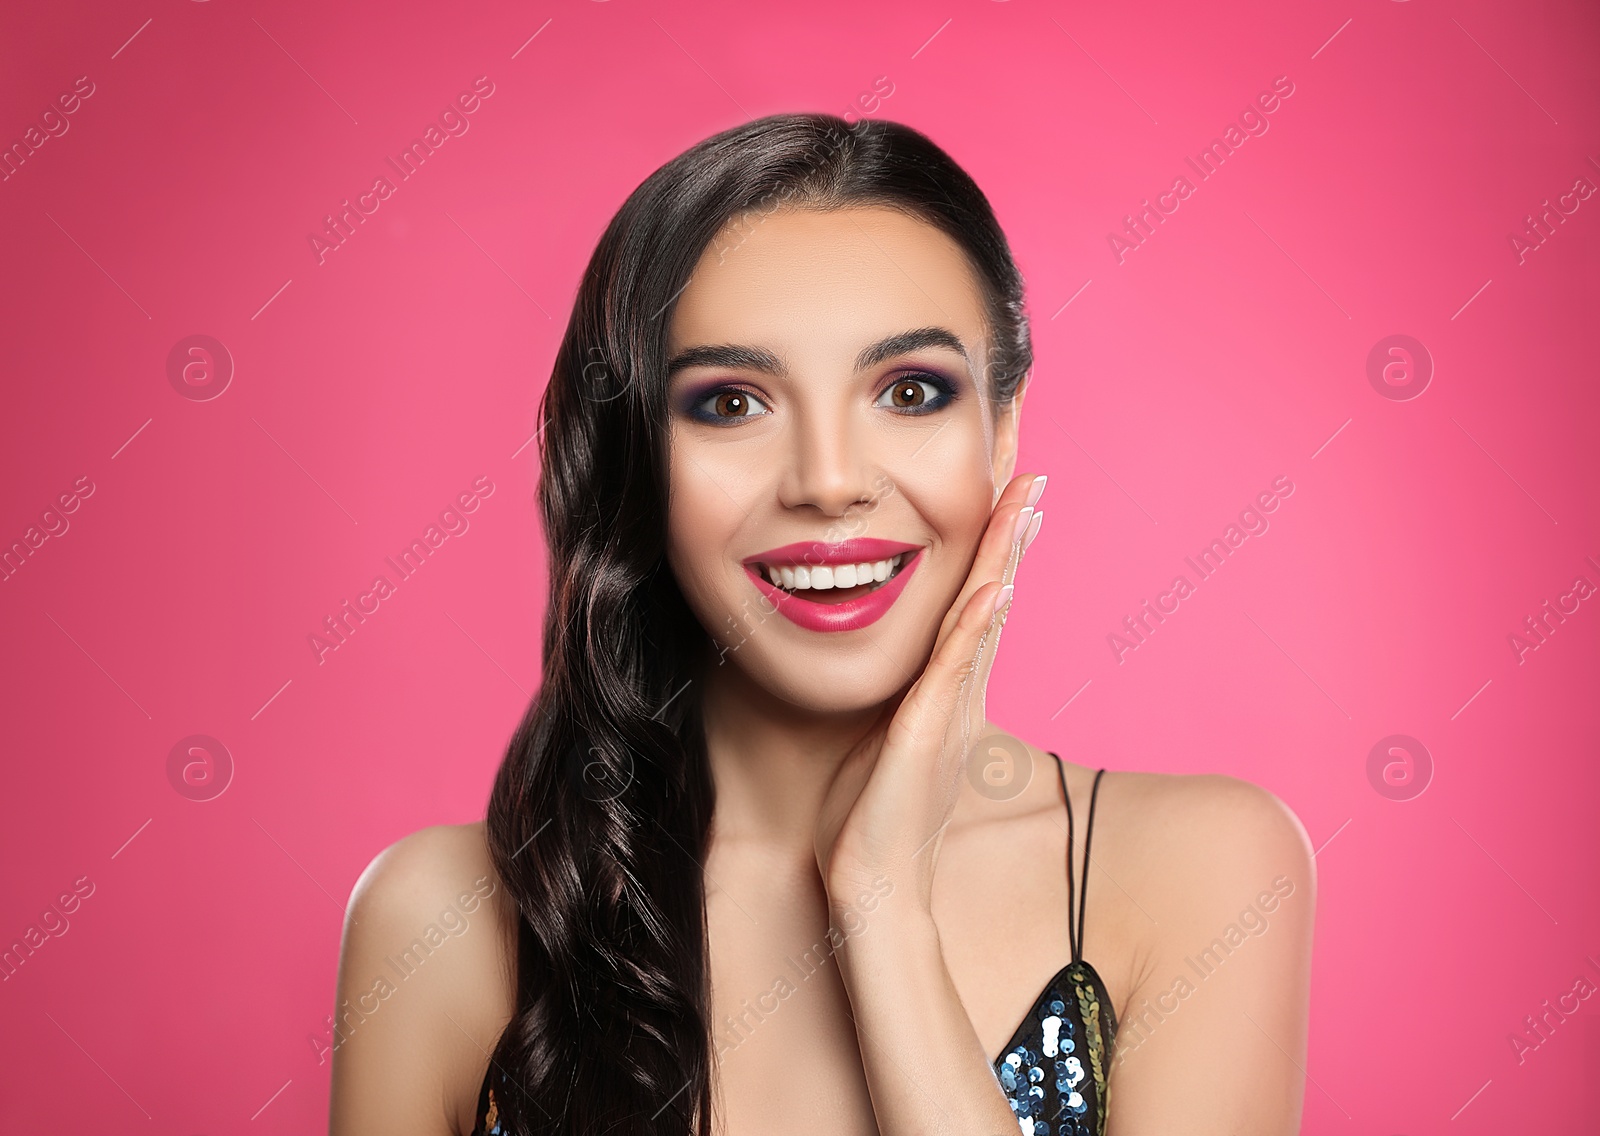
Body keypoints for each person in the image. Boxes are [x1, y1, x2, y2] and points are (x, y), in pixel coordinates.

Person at [328, 112, 1315, 1136]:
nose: (830, 481)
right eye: (731, 404)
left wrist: (882, 905)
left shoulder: (1195, 869)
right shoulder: (437, 920)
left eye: (910, 390)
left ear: (1002, 427)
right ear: (637, 454)